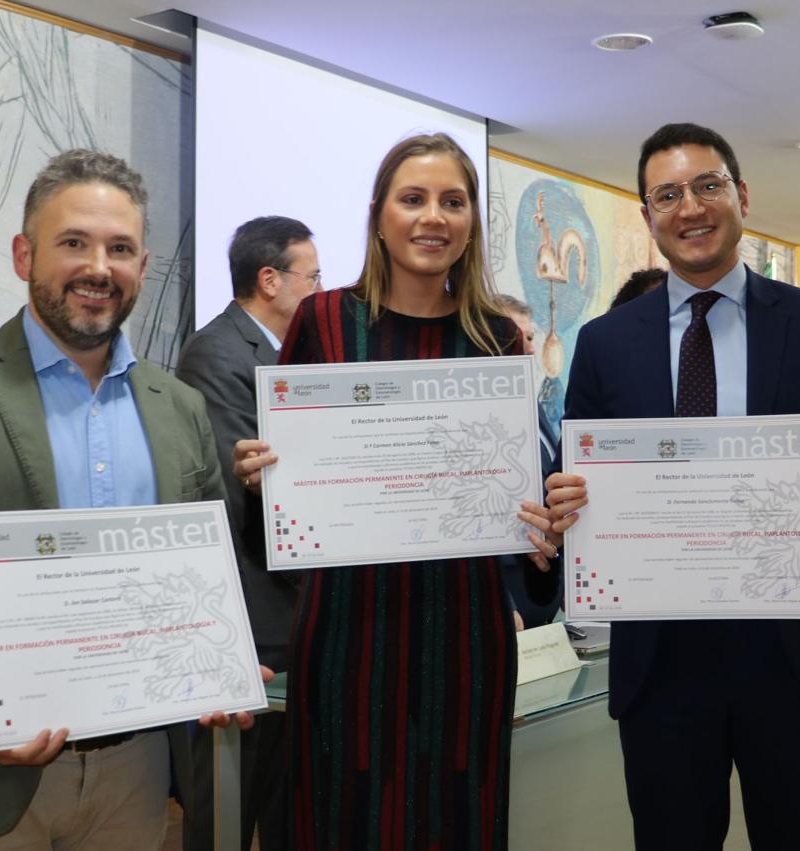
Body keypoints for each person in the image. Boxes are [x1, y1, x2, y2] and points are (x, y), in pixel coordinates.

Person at [0, 149, 263, 850]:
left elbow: (203, 577)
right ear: (23, 254)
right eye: (74, 242)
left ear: (141, 265)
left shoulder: (181, 408)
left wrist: (218, 659)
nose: (98, 267)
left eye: (120, 248)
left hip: (137, 771)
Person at [545, 123, 800, 850]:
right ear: (648, 217)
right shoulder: (608, 341)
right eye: (667, 194)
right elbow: (572, 476)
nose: (690, 207)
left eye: (708, 185)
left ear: (741, 194)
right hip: (662, 665)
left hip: (794, 660)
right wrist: (565, 500)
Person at [235, 133, 559, 850]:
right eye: (413, 199)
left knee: (457, 818)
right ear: (380, 214)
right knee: (341, 815)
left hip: (466, 636)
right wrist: (265, 481)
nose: (432, 217)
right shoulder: (322, 322)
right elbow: (286, 507)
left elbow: (520, 495)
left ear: (472, 220)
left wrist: (541, 530)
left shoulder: (497, 339)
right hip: (348, 633)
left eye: (453, 200)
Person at [175, 216, 320, 851]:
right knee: (229, 806)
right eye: (313, 277)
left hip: (296, 613)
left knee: (291, 799)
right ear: (270, 279)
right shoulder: (219, 353)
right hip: (253, 617)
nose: (322, 290)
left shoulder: (296, 352)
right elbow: (237, 494)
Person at [490, 292, 563, 629]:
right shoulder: (465, 418)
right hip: (499, 591)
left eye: (531, 337)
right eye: (520, 337)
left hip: (542, 579)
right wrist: (500, 604)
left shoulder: (529, 404)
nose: (532, 349)